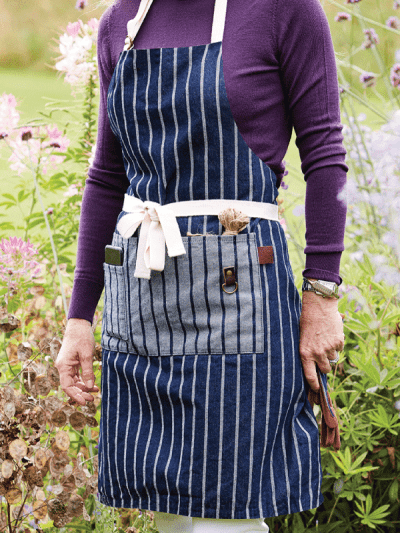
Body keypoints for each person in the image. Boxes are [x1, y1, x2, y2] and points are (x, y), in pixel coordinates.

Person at [55, 0, 347, 531]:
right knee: (168, 511)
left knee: (228, 511)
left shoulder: (284, 11)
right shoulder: (121, 22)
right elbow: (105, 177)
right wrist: (79, 317)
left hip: (240, 297)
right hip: (141, 305)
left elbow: (325, 153)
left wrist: (322, 293)